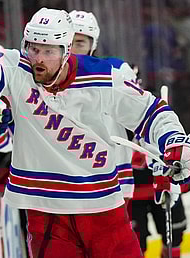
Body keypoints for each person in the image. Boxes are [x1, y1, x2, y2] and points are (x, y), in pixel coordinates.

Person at [0, 8, 190, 258]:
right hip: (45, 212)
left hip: (104, 209)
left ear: (66, 51)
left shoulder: (103, 78)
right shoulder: (16, 68)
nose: (39, 59)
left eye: (48, 51)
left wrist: (175, 141)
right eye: (33, 49)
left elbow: (152, 111)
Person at [70, 10, 136, 205]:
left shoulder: (114, 70)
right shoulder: (46, 77)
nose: (73, 48)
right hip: (68, 178)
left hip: (113, 176)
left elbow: (138, 114)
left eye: (80, 43)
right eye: (69, 41)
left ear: (93, 45)